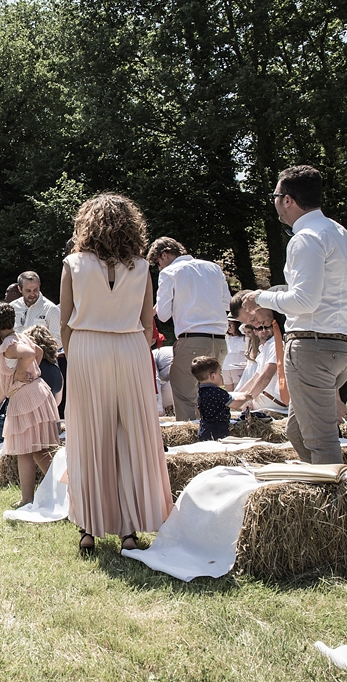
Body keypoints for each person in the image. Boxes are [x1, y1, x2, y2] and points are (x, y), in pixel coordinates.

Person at [240, 166, 347, 463]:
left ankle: (336, 502)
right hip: (345, 348)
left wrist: (260, 296)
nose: (274, 202)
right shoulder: (342, 235)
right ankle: (321, 491)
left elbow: (303, 301)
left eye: (275, 196)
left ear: (287, 200)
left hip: (312, 348)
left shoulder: (305, 238)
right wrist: (337, 319)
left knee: (319, 441)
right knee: (298, 432)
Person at [61, 193, 173, 554]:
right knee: (132, 436)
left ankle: (89, 528)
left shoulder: (73, 263)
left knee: (90, 435)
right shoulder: (141, 267)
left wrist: (77, 350)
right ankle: (128, 528)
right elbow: (146, 322)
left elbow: (64, 323)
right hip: (130, 347)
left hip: (87, 347)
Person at [0, 303, 60, 508]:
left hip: (26, 398)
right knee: (39, 450)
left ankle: (27, 498)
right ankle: (63, 488)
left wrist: (19, 373)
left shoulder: (9, 344)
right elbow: (38, 351)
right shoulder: (19, 336)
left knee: (25, 450)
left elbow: (29, 354)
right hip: (37, 392)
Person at [148, 237, 231, 421]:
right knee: (210, 391)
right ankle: (216, 431)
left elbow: (163, 315)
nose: (159, 268)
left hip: (192, 339)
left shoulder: (169, 272)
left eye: (158, 263)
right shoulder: (213, 267)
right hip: (220, 340)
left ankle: (193, 440)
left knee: (185, 392)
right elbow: (227, 303)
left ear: (165, 254)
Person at [11, 272, 61, 343]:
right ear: (19, 289)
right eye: (28, 290)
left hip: (41, 353)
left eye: (35, 290)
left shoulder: (51, 309)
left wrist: (36, 350)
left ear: (39, 286)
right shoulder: (12, 307)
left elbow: (58, 339)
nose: (32, 294)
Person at [192, 357, 232, 441]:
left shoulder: (200, 392)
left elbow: (198, 410)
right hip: (218, 431)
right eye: (219, 373)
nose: (221, 376)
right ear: (213, 376)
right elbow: (234, 404)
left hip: (204, 429)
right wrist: (246, 397)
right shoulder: (218, 392)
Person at [222, 318, 246, 390]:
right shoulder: (227, 337)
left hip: (238, 367)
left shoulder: (243, 338)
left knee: (238, 391)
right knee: (229, 393)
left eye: (231, 325)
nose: (228, 328)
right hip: (226, 368)